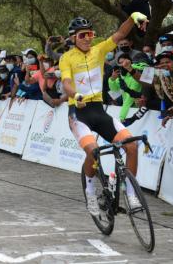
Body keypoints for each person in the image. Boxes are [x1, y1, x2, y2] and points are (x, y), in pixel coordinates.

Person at [59, 11, 148, 216]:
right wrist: (76, 95)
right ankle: (90, 192)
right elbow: (66, 83)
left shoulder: (98, 51)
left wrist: (133, 17)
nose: (88, 38)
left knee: (132, 146)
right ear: (73, 38)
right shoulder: (66, 58)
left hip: (99, 111)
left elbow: (119, 34)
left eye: (90, 34)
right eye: (82, 35)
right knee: (93, 151)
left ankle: (131, 193)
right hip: (78, 113)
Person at [108, 52, 144, 122]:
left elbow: (145, 67)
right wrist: (112, 80)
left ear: (129, 60)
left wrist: (131, 67)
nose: (123, 64)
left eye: (124, 61)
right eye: (120, 63)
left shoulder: (138, 69)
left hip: (142, 109)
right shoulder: (121, 76)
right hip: (127, 111)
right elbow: (115, 93)